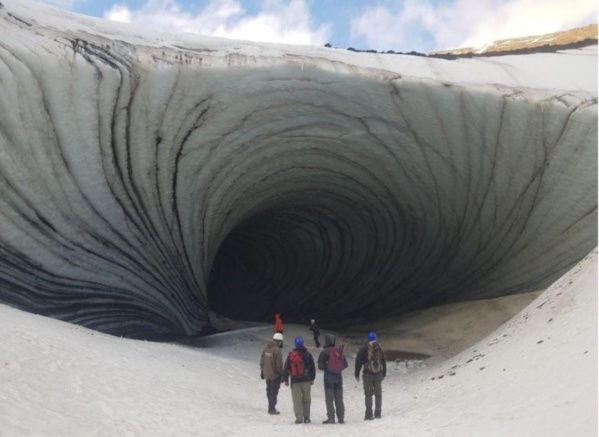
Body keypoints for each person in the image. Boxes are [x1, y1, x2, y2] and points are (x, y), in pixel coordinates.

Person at [283, 336, 316, 424]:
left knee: (297, 401)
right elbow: (312, 367)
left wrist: (286, 379)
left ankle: (299, 419)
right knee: (306, 400)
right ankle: (306, 417)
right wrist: (312, 378)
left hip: (295, 381)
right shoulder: (308, 354)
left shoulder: (291, 355)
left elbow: (286, 367)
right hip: (306, 380)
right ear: (303, 343)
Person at [354, 331, 386, 420]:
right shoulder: (378, 347)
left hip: (367, 374)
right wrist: (383, 373)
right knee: (378, 394)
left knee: (368, 394)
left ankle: (369, 414)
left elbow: (358, 361)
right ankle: (378, 413)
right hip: (378, 374)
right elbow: (383, 361)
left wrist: (357, 373)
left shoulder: (364, 348)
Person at [317, 334, 348, 424]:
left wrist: (327, 365)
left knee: (329, 399)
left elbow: (320, 366)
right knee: (339, 399)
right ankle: (341, 417)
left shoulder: (324, 352)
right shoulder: (339, 351)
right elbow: (345, 365)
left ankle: (331, 418)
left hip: (328, 379)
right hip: (338, 379)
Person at [260, 332, 285, 415]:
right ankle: (271, 408)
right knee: (274, 391)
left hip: (267, 373)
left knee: (269, 390)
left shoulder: (266, 348)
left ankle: (270, 405)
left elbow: (262, 361)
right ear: (279, 341)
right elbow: (279, 365)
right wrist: (282, 374)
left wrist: (262, 371)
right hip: (275, 375)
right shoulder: (277, 350)